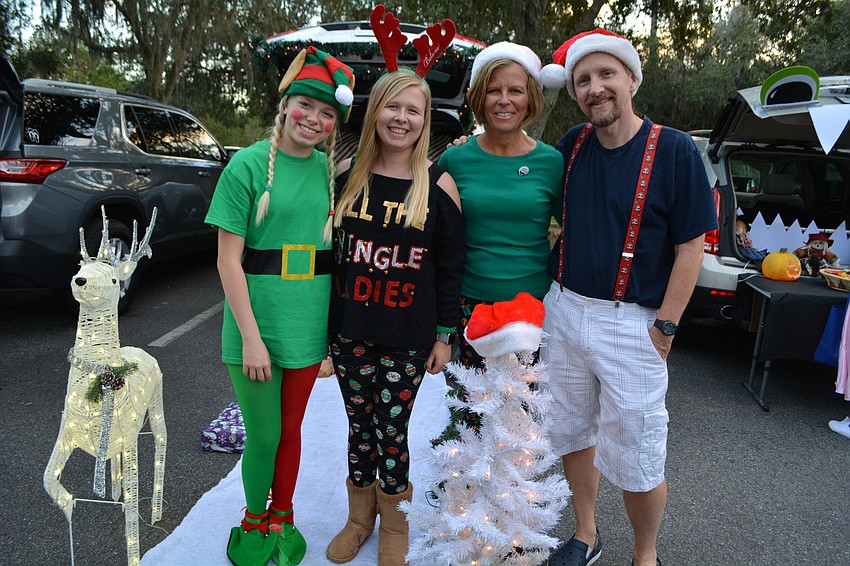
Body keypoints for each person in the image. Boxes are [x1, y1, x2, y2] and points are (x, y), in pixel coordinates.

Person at [540, 30, 718, 566]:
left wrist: (666, 325)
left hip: (634, 322)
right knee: (572, 431)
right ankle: (587, 534)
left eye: (606, 75)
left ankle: (646, 554)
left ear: (632, 79)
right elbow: (518, 175)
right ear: (574, 91)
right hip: (564, 310)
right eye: (584, 80)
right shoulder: (572, 144)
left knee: (639, 452)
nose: (596, 88)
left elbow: (692, 246)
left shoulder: (674, 149)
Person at [204, 46, 354, 566]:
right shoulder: (245, 166)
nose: (313, 120)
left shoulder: (329, 172)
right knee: (264, 434)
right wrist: (250, 337)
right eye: (305, 106)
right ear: (285, 103)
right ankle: (253, 519)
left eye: (327, 113)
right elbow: (228, 262)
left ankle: (282, 515)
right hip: (257, 328)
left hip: (308, 330)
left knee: (291, 431)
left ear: (335, 123)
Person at [325, 67, 465, 565]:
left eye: (413, 110)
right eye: (392, 106)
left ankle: (395, 526)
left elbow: (450, 269)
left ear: (425, 120)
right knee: (357, 425)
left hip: (408, 336)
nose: (401, 118)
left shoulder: (437, 187)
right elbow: (327, 260)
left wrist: (445, 335)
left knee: (392, 429)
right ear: (374, 113)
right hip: (350, 333)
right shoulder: (346, 179)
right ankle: (360, 519)